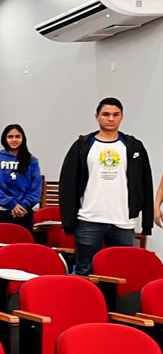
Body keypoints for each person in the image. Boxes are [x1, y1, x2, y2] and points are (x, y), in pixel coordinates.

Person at [60, 97, 153, 275]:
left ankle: (114, 305)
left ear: (122, 117)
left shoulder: (134, 146)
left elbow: (145, 183)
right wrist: (68, 221)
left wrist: (147, 222)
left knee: (120, 272)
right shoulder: (83, 145)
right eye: (106, 114)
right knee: (84, 272)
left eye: (115, 114)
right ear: (97, 116)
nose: (111, 118)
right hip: (89, 219)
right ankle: (85, 303)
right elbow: (68, 184)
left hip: (123, 222)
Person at [0, 124, 41, 230]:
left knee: (23, 245)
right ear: (4, 139)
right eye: (10, 137)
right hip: (1, 211)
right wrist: (11, 204)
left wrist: (23, 205)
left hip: (24, 212)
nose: (14, 140)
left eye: (17, 136)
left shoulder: (32, 161)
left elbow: (36, 188)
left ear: (23, 138)